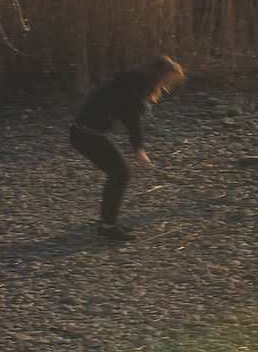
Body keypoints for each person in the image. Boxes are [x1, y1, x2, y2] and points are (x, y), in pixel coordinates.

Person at [71, 55, 184, 241]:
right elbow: (131, 120)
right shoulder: (134, 86)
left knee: (118, 173)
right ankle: (108, 226)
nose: (166, 86)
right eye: (166, 81)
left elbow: (126, 116)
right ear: (157, 75)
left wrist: (137, 147)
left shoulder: (132, 81)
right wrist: (139, 149)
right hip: (86, 134)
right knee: (121, 173)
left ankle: (107, 222)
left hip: (83, 132)